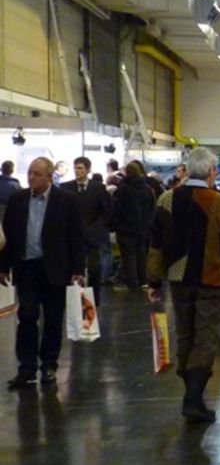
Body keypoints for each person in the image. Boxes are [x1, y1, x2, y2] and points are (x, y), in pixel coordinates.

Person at [148, 146, 220, 422]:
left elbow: (156, 245)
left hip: (178, 278)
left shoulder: (166, 199)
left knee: (185, 334)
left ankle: (191, 394)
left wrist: (154, 280)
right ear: (212, 171)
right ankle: (193, 398)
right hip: (211, 279)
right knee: (206, 336)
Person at [0, 158, 86, 388]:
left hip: (55, 268)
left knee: (53, 319)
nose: (31, 178)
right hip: (27, 267)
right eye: (30, 173)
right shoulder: (18, 200)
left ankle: (49, 365)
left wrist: (78, 268)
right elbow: (8, 235)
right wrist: (3, 266)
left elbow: (76, 236)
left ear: (49, 176)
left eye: (37, 174)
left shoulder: (67, 200)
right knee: (26, 317)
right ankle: (26, 368)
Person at [61, 156, 113, 294]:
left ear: (88, 170)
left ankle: (93, 298)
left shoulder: (98, 188)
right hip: (72, 235)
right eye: (75, 168)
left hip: (92, 235)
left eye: (80, 168)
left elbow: (105, 211)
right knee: (71, 268)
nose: (77, 171)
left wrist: (97, 228)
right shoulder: (66, 187)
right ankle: (71, 297)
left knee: (94, 268)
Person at [111, 161, 156, 290]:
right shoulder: (147, 189)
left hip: (126, 229)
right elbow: (152, 208)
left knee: (128, 256)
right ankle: (143, 280)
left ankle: (132, 282)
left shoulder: (123, 189)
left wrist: (114, 225)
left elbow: (116, 209)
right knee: (141, 254)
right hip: (143, 228)